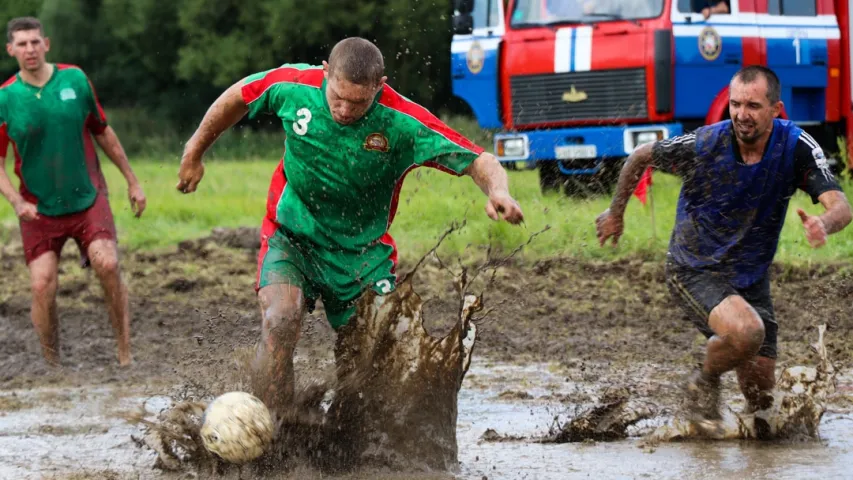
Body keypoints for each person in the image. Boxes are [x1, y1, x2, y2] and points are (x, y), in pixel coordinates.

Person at [176, 37, 524, 415]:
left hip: (362, 254)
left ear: (380, 85)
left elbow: (478, 159)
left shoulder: (402, 121)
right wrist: (194, 151)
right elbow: (238, 97)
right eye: (337, 96)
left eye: (358, 103)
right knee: (280, 320)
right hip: (292, 236)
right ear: (326, 72)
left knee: (372, 356)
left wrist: (499, 192)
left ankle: (348, 439)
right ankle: (275, 434)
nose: (344, 110)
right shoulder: (294, 85)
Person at [595, 65, 851, 437]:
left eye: (753, 106)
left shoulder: (795, 146)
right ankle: (703, 380)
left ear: (776, 109)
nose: (741, 115)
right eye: (735, 104)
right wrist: (616, 212)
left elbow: (841, 206)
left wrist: (822, 224)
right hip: (694, 268)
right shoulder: (706, 143)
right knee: (748, 332)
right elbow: (641, 155)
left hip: (751, 276)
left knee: (765, 414)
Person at [0, 17, 146, 367]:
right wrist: (16, 201)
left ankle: (125, 354)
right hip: (38, 207)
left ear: (46, 44)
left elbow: (103, 132)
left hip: (87, 197)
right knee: (41, 284)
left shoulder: (75, 80)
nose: (30, 49)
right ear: (11, 50)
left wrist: (132, 180)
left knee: (107, 262)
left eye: (35, 42)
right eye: (22, 44)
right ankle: (53, 365)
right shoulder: (6, 98)